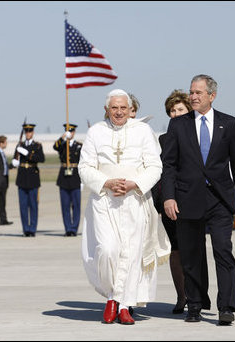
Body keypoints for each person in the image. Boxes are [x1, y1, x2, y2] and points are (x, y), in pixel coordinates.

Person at [161, 74, 235, 325]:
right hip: (187, 199)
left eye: (198, 92)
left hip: (220, 199)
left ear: (212, 95)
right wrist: (169, 197)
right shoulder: (178, 125)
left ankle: (227, 306)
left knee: (223, 251)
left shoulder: (229, 123)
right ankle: (195, 304)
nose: (193, 96)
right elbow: (168, 165)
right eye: (191, 92)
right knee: (192, 254)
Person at [79, 89, 170, 325]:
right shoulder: (95, 132)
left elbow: (154, 166)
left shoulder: (142, 131)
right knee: (108, 250)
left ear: (130, 110)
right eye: (114, 108)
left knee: (131, 253)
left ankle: (123, 305)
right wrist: (106, 182)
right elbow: (85, 167)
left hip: (134, 200)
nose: (118, 112)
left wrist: (134, 184)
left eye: (123, 108)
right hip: (104, 201)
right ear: (106, 110)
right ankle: (112, 295)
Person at [151, 89, 196, 314]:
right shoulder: (163, 139)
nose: (175, 114)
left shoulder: (199, 135)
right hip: (171, 201)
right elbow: (160, 171)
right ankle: (182, 296)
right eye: (171, 111)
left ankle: (197, 294)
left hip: (194, 199)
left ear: (189, 110)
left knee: (194, 249)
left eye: (179, 109)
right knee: (176, 250)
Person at [11, 123, 45, 237]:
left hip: (33, 178)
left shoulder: (37, 146)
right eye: (26, 132)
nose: (28, 134)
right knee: (23, 206)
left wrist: (27, 153)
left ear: (33, 132)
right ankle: (26, 229)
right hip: (21, 178)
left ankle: (32, 229)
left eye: (30, 131)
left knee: (33, 205)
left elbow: (41, 158)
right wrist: (14, 162)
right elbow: (14, 159)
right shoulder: (19, 145)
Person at [53, 123, 83, 236]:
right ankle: (68, 229)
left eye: (71, 131)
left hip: (75, 176)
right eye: (68, 131)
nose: (70, 133)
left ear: (74, 132)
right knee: (65, 205)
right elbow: (55, 147)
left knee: (76, 205)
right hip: (64, 177)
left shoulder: (79, 146)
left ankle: (74, 229)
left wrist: (83, 180)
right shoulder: (62, 144)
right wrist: (62, 137)